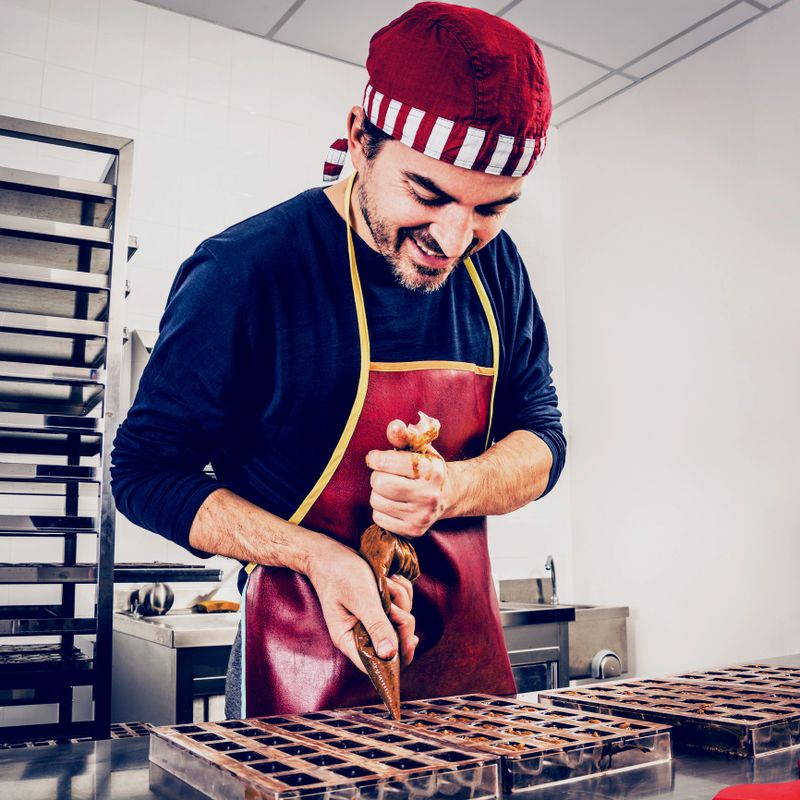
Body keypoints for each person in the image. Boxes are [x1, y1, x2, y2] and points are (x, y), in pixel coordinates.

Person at [111, 2, 566, 719]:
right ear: (360, 139)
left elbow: (542, 440)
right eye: (429, 192)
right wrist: (318, 558)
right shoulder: (247, 270)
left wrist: (449, 488)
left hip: (466, 675)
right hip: (295, 666)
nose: (454, 239)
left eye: (491, 209)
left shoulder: (497, 270)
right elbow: (141, 474)